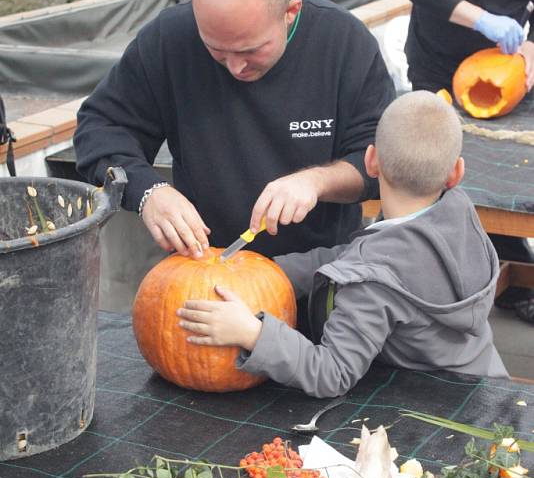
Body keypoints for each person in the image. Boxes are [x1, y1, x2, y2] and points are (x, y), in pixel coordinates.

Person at [74, 0, 395, 263]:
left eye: (251, 50)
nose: (235, 67)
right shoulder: (169, 39)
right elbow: (101, 128)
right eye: (216, 50)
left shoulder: (342, 42)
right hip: (207, 266)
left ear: (290, 12)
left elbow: (382, 161)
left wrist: (316, 182)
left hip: (322, 268)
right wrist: (148, 192)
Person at [177, 91, 508, 398]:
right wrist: (267, 273)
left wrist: (252, 333)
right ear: (455, 173)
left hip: (439, 407)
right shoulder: (457, 216)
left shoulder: (371, 282)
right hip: (488, 384)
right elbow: (353, 256)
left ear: (371, 161)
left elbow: (331, 373)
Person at [405, 0, 534, 323]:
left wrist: (530, 48)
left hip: (500, 66)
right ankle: (432, 278)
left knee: (503, 167)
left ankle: (513, 274)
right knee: (440, 169)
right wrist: (481, 18)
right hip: (437, 62)